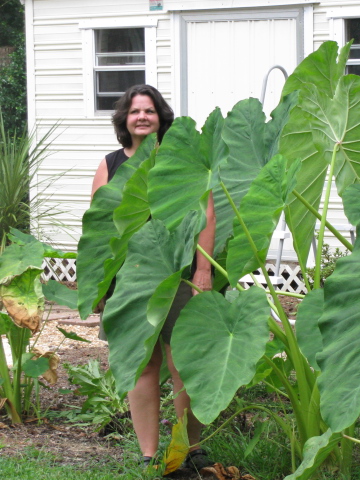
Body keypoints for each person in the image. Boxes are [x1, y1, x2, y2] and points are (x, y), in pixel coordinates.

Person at [90, 84, 216, 472]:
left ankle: (188, 450)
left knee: (185, 361)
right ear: (124, 120)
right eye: (134, 111)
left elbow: (206, 213)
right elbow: (99, 228)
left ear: (161, 117)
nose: (142, 116)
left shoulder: (178, 158)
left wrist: (203, 269)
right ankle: (148, 454)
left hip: (178, 270)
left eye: (149, 110)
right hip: (130, 278)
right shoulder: (111, 165)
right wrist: (98, 281)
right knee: (141, 363)